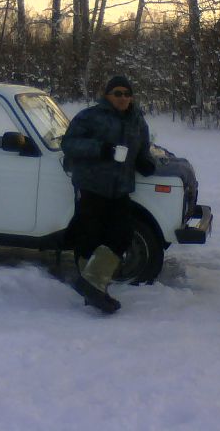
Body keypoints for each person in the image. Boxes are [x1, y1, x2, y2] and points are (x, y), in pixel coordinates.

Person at [62, 75, 156, 314]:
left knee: (122, 235)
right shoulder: (90, 116)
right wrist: (102, 149)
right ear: (107, 95)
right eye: (117, 93)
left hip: (120, 187)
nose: (123, 98)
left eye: (127, 93)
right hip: (92, 184)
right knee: (89, 237)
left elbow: (143, 148)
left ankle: (90, 285)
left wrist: (145, 162)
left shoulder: (137, 120)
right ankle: (95, 291)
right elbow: (69, 143)